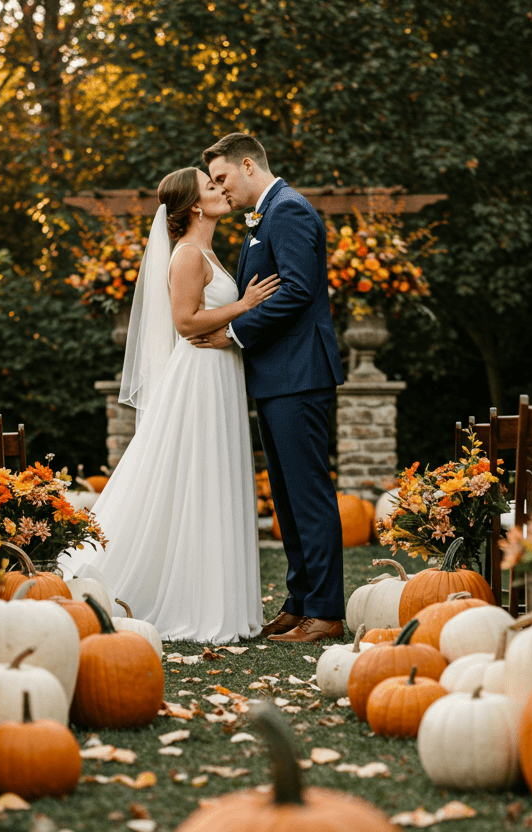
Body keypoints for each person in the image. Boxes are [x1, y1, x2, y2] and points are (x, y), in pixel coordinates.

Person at [60, 166, 279, 644]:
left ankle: (213, 596)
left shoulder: (206, 251)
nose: (220, 190)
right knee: (195, 477)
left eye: (217, 183)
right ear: (195, 206)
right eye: (210, 186)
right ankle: (174, 599)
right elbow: (185, 322)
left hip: (218, 373)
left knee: (210, 477)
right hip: (198, 377)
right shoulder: (186, 255)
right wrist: (244, 306)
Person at [199, 132, 346, 642]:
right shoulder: (269, 214)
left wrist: (234, 332)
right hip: (278, 375)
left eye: (222, 179)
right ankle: (299, 601)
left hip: (300, 374)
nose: (220, 190)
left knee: (308, 495)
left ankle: (325, 612)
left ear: (246, 165)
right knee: (285, 497)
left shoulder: (288, 211)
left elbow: (300, 291)